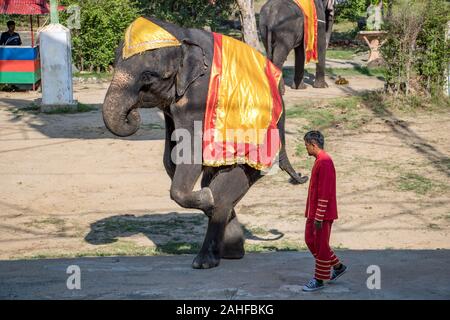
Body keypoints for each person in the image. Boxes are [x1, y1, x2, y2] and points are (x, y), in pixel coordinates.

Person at [302, 131, 347, 292]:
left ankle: (319, 279)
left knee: (321, 246)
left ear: (313, 144)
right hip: (313, 213)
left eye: (306, 145)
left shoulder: (325, 162)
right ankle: (338, 266)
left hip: (322, 214)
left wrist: (319, 216)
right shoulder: (319, 161)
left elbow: (325, 191)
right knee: (310, 240)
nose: (305, 148)